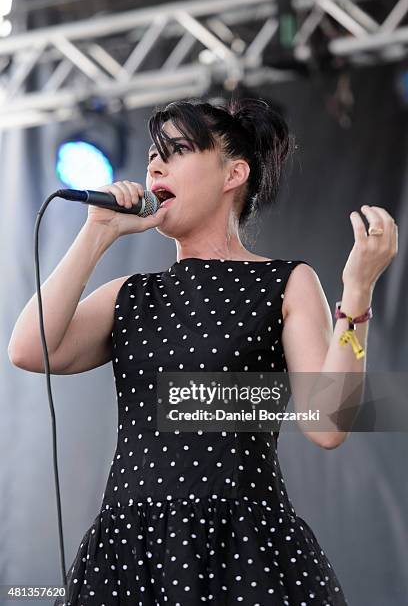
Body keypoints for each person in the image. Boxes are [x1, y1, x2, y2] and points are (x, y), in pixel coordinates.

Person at [8, 97, 397, 605]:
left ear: (234, 173)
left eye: (178, 150)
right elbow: (29, 348)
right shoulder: (132, 294)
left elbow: (327, 425)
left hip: (241, 545)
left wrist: (359, 296)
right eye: (152, 154)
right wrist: (95, 233)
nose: (154, 164)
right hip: (132, 547)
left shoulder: (284, 282)